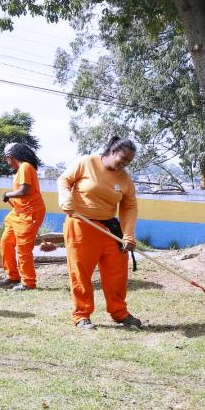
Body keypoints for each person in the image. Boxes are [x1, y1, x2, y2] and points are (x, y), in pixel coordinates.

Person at [57, 136, 142, 330]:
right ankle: (82, 315)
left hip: (109, 229)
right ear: (112, 152)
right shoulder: (87, 162)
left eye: (129, 162)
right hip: (81, 225)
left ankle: (119, 313)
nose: (125, 164)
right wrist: (65, 198)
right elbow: (64, 180)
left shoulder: (125, 179)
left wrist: (128, 234)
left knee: (117, 273)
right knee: (81, 273)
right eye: (123, 158)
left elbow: (129, 207)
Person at [0, 143, 47, 291]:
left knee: (23, 249)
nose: (7, 162)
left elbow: (25, 190)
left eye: (6, 159)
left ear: (10, 157)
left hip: (30, 212)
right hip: (18, 212)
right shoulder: (21, 169)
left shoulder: (25, 167)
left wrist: (7, 194)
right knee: (6, 242)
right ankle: (13, 276)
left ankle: (28, 283)